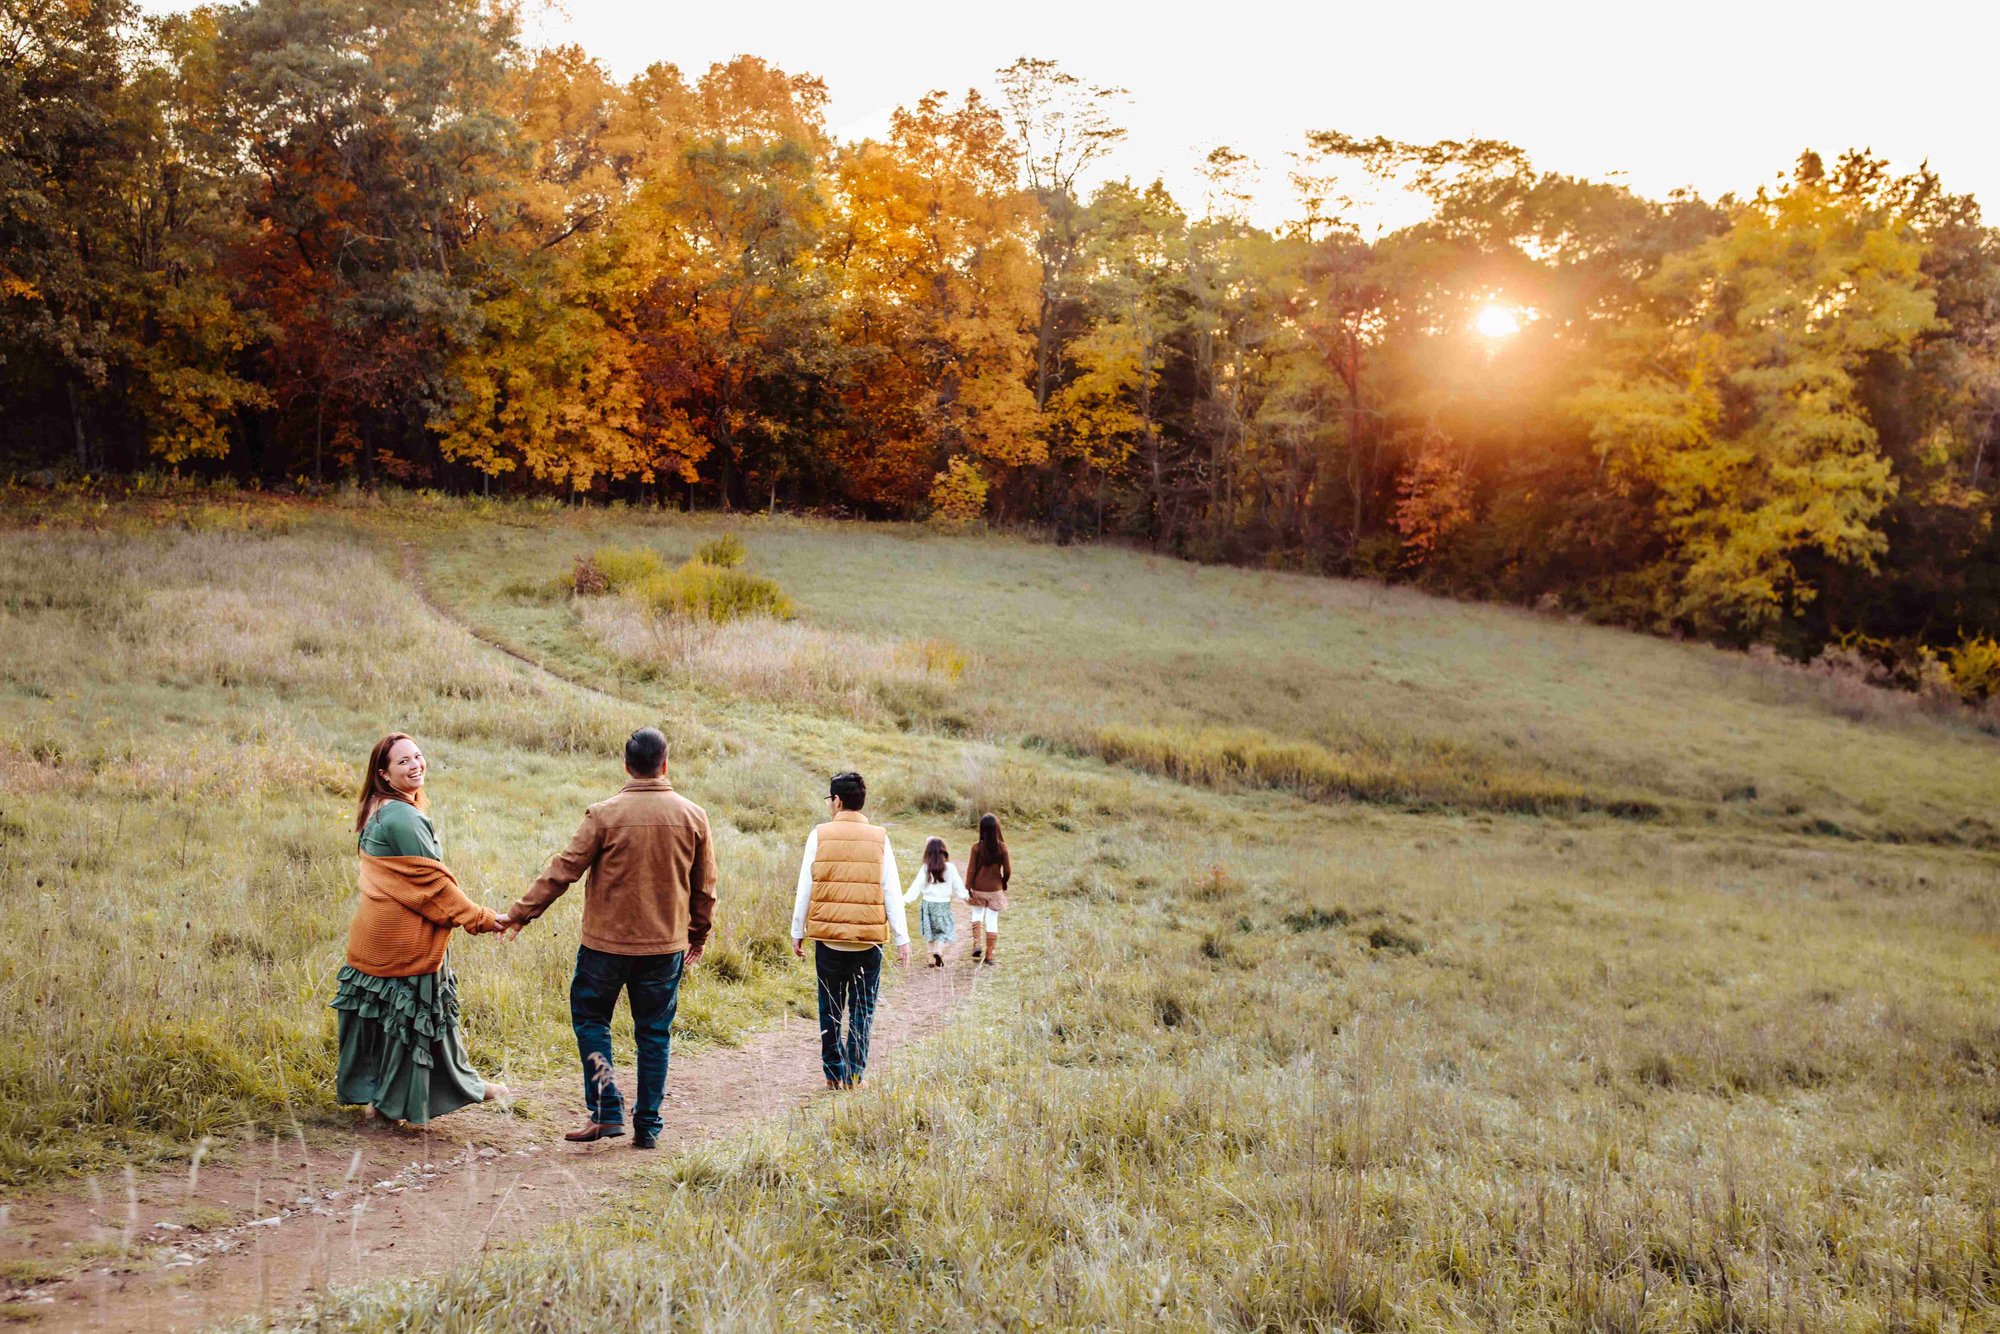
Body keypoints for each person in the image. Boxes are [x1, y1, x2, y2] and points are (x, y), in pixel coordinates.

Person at [498, 727, 716, 1150]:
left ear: (626, 765)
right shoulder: (694, 816)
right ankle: (648, 1127)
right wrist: (698, 935)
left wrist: (520, 914)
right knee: (654, 1034)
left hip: (603, 949)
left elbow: (563, 869)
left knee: (591, 1021)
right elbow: (705, 888)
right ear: (665, 763)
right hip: (665, 947)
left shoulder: (603, 815)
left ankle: (606, 1109)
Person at [332, 732, 508, 1126]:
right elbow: (434, 886)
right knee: (415, 1018)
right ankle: (409, 1099)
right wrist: (480, 918)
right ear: (384, 774)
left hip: (373, 935)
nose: (415, 765)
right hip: (403, 939)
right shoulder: (402, 816)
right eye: (403, 762)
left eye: (418, 756)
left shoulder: (376, 809)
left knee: (387, 1018)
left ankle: (380, 1098)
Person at [790, 771, 910, 1089]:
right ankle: (855, 1076)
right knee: (862, 1009)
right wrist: (903, 938)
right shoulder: (880, 838)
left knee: (829, 1008)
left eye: (831, 799)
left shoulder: (819, 835)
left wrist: (797, 929)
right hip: (868, 944)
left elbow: (806, 885)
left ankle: (833, 1075)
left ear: (838, 801)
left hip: (828, 941)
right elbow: (891, 890)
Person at [903, 836, 967, 968]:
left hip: (928, 904)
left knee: (930, 931)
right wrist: (966, 896)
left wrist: (904, 901)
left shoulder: (926, 868)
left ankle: (931, 957)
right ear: (944, 851)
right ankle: (938, 949)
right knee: (943, 930)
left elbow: (916, 886)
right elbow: (958, 885)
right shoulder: (950, 867)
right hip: (943, 904)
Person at [964, 812, 1011, 967]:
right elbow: (1008, 870)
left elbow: (971, 870)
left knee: (977, 914)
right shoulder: (1002, 848)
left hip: (979, 887)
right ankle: (990, 955)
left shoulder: (977, 848)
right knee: (992, 920)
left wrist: (968, 887)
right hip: (995, 889)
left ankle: (977, 943)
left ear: (982, 829)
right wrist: (1003, 883)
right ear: (997, 828)